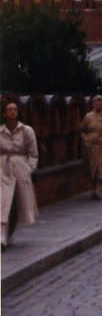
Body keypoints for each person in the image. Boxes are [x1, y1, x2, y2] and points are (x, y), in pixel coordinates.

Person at [0, 101, 38, 249]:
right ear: (4, 113)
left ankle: (9, 233)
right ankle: (1, 235)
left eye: (15, 109)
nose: (12, 112)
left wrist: (29, 168)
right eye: (9, 109)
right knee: (3, 201)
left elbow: (33, 153)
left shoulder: (27, 131)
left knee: (17, 203)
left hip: (20, 168)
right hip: (3, 168)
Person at [80, 94, 102, 199]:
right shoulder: (88, 116)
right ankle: (92, 187)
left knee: (101, 166)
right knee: (92, 167)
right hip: (90, 145)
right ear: (93, 104)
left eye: (101, 102)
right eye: (96, 102)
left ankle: (98, 189)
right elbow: (82, 130)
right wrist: (86, 140)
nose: (99, 104)